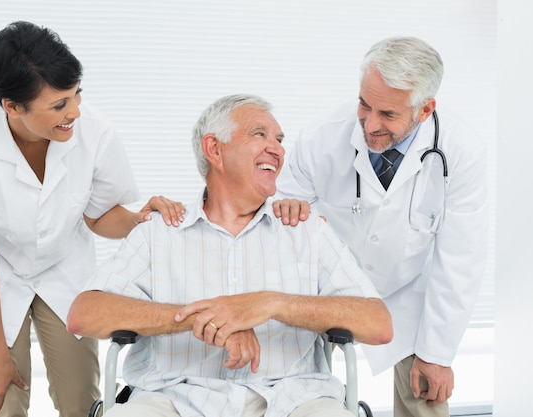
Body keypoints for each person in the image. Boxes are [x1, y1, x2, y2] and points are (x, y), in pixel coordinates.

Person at [67, 94, 393, 417]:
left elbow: (378, 325)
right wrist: (209, 318)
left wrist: (271, 303)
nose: (277, 148)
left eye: (279, 139)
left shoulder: (305, 229)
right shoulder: (159, 230)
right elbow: (85, 314)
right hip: (174, 398)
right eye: (259, 134)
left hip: (295, 398)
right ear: (215, 150)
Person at [0, 21, 184, 417]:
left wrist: (139, 220)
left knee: (81, 399)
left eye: (76, 95)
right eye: (59, 104)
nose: (75, 112)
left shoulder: (93, 131)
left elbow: (100, 217)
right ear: (11, 106)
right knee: (3, 399)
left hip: (63, 268)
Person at [274, 36, 489, 417]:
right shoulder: (322, 137)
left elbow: (460, 259)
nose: (370, 124)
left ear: (425, 109)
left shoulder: (460, 150)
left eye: (387, 115)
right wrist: (294, 215)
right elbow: (284, 211)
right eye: (363, 104)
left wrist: (437, 354)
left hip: (409, 292)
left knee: (425, 395)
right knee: (291, 391)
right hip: (328, 288)